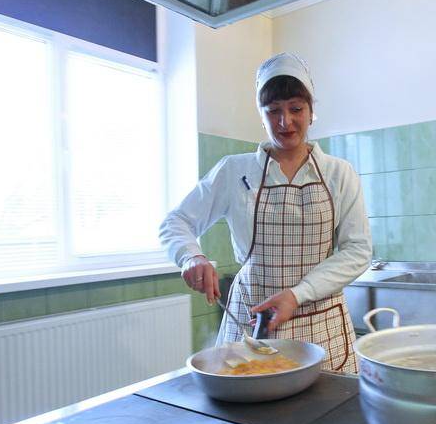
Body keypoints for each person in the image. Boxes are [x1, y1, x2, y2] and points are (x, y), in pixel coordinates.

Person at [159, 52, 371, 373]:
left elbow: (358, 250)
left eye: (296, 109)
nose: (285, 122)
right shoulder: (234, 171)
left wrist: (298, 294)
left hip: (321, 324)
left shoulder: (339, 173)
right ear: (261, 115)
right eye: (273, 111)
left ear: (311, 111)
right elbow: (176, 221)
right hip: (252, 321)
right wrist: (191, 256)